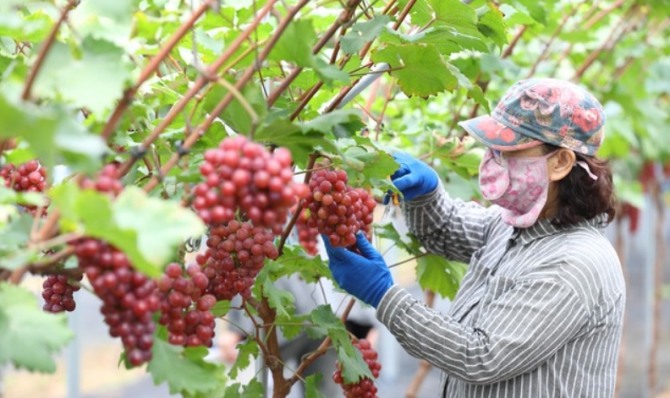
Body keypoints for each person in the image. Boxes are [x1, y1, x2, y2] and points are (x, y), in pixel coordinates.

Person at [323, 78, 625, 397]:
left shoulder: (573, 264)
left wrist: (383, 295)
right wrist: (427, 194)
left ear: (561, 162)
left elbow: (479, 355)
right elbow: (446, 229)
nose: (492, 160)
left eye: (509, 150)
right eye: (492, 148)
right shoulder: (517, 225)